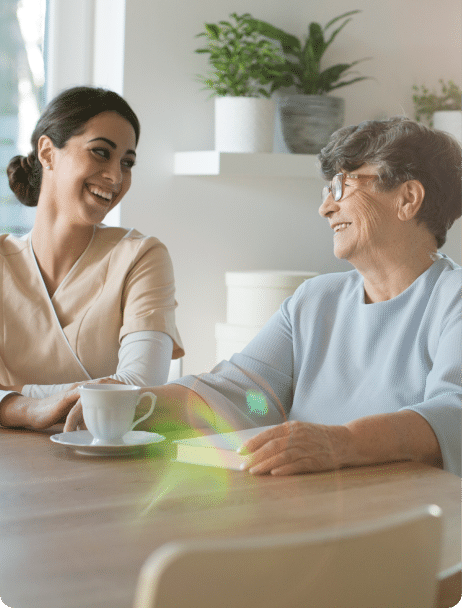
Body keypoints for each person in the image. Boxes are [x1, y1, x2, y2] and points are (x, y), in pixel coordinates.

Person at [1, 117, 460, 479]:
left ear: (408, 198)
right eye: (327, 191)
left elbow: (452, 414)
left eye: (342, 186)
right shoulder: (314, 301)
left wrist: (340, 443)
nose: (326, 206)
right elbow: (245, 394)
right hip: (312, 511)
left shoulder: (452, 299)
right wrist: (134, 404)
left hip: (408, 528)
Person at [0, 86, 184, 412]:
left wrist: (12, 398)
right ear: (47, 152)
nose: (116, 176)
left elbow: (139, 388)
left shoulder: (141, 258)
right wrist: (29, 411)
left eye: (127, 163)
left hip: (103, 460)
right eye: (101, 152)